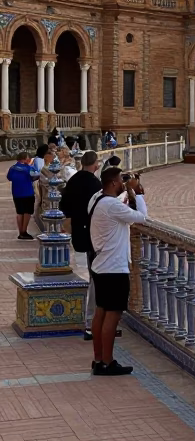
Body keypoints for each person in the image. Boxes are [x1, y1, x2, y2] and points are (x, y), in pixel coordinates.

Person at [88, 167, 147, 375]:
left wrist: (126, 189)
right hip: (114, 268)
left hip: (101, 265)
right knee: (112, 315)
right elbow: (141, 217)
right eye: (121, 180)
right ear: (113, 183)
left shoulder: (96, 200)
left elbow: (120, 210)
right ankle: (107, 362)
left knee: (101, 312)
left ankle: (98, 359)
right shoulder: (112, 206)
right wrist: (137, 192)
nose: (124, 182)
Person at [59, 151, 102, 339]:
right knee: (96, 277)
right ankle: (92, 321)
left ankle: (92, 319)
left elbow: (63, 205)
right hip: (94, 234)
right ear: (96, 164)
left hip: (79, 232)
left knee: (93, 273)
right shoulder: (94, 183)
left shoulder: (74, 180)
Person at [7, 153, 36, 239]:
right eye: (28, 158)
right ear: (24, 159)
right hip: (27, 192)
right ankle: (24, 231)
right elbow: (34, 176)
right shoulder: (28, 168)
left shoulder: (12, 168)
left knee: (20, 212)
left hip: (16, 193)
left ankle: (20, 232)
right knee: (27, 212)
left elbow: (9, 177)